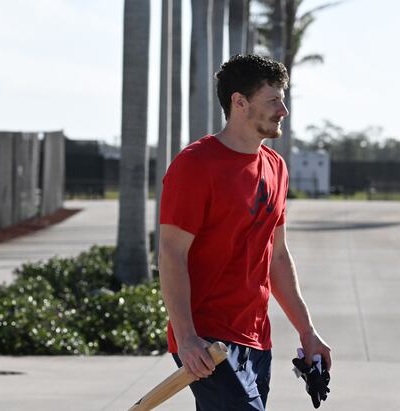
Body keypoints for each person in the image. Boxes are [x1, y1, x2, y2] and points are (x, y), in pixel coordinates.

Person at [158, 54, 331, 411]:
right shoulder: (196, 165)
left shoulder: (275, 167)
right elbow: (172, 253)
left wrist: (307, 332)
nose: (283, 110)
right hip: (208, 341)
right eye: (272, 100)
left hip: (256, 339)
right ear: (239, 102)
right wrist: (187, 338)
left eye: (282, 99)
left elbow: (277, 256)